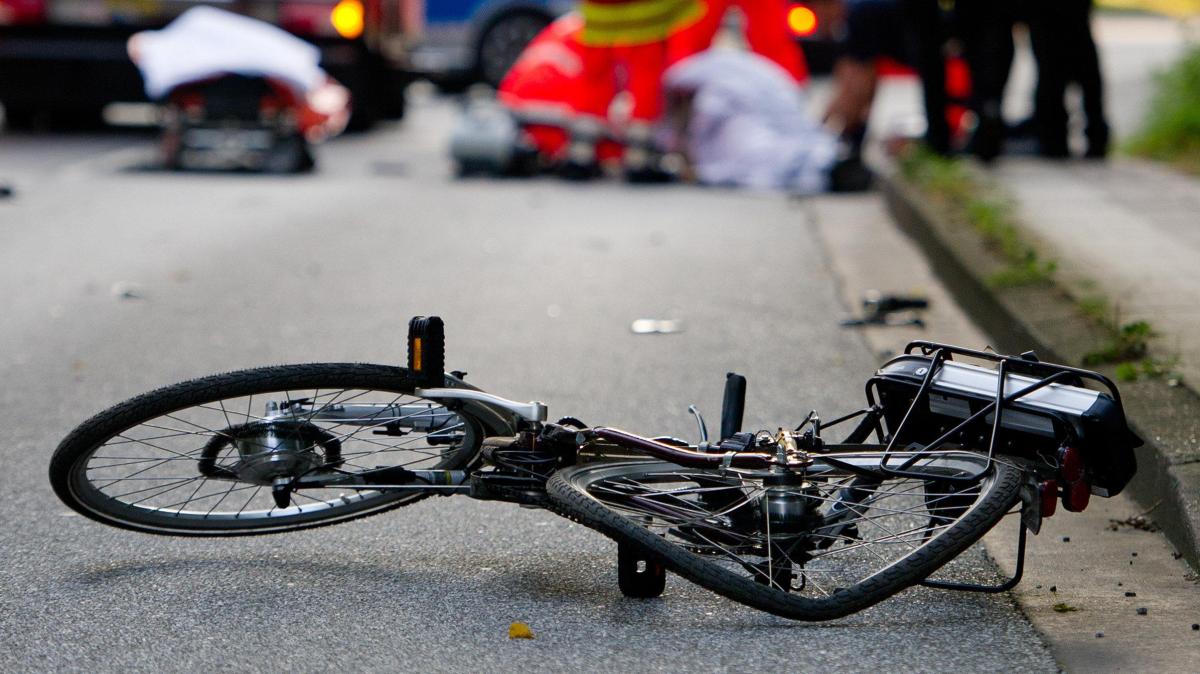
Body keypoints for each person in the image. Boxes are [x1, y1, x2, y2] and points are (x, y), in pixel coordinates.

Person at [568, 0, 705, 179]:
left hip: (600, 7)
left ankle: (581, 154)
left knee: (595, 72)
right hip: (643, 9)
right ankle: (638, 157)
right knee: (645, 71)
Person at [1026, 0, 1108, 158]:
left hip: (1050, 16)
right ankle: (1056, 139)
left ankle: (1054, 140)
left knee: (1053, 78)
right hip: (1057, 16)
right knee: (1076, 77)